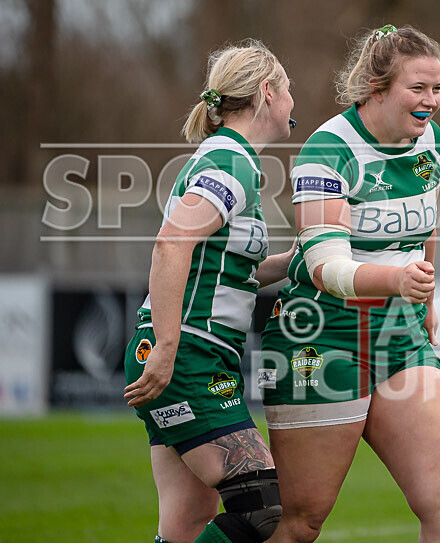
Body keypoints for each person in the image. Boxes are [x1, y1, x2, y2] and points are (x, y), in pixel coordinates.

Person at [259, 25, 440, 543]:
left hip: (399, 334)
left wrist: (426, 293)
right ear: (377, 88)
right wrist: (398, 279)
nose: (431, 102)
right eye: (418, 88)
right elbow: (324, 267)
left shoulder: (432, 141)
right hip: (319, 336)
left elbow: (424, 222)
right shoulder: (326, 152)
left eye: (438, 88)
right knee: (301, 520)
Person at [123, 39, 297, 543]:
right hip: (188, 356)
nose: (293, 101)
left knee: (186, 518)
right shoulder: (232, 161)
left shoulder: (233, 158)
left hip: (194, 354)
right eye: (288, 89)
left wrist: (296, 259)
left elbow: (225, 270)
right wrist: (168, 347)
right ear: (267, 92)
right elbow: (171, 245)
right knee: (263, 507)